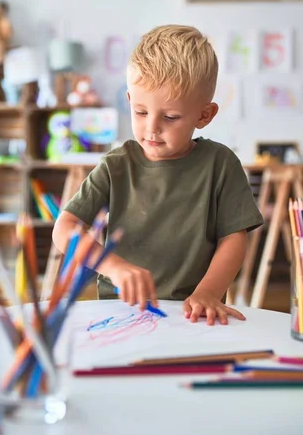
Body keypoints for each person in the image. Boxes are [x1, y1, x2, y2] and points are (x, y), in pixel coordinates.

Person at [52, 25, 263, 325]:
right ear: (128, 100)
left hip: (194, 314)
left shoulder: (221, 164)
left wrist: (209, 292)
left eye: (171, 117)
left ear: (204, 115)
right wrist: (113, 268)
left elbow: (233, 240)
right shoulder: (116, 166)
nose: (152, 128)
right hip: (121, 312)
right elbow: (65, 228)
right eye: (140, 112)